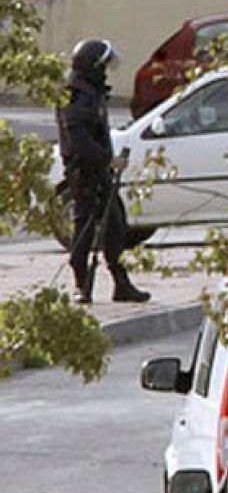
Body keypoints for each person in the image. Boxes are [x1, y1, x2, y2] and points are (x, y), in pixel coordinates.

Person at [57, 38, 149, 304]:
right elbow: (79, 140)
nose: (106, 71)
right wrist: (107, 162)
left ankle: (121, 283)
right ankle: (81, 285)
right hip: (83, 172)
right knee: (84, 228)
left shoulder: (92, 92)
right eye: (103, 66)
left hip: (100, 171)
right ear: (92, 66)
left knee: (116, 227)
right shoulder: (74, 95)